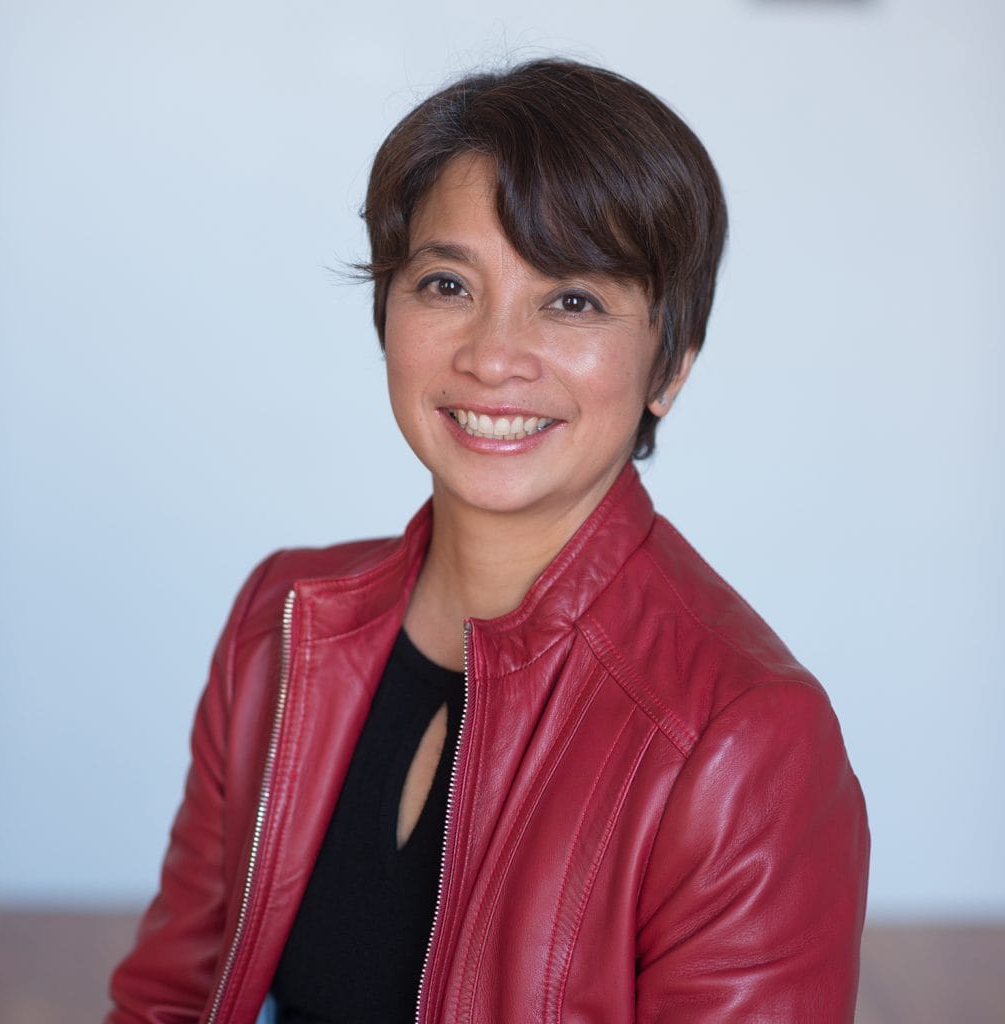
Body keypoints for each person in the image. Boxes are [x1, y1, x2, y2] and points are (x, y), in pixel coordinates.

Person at [107, 59, 869, 1023]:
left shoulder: (747, 737)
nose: (492, 354)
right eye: (447, 283)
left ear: (668, 366)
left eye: (573, 300)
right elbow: (173, 996)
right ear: (387, 313)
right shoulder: (282, 621)